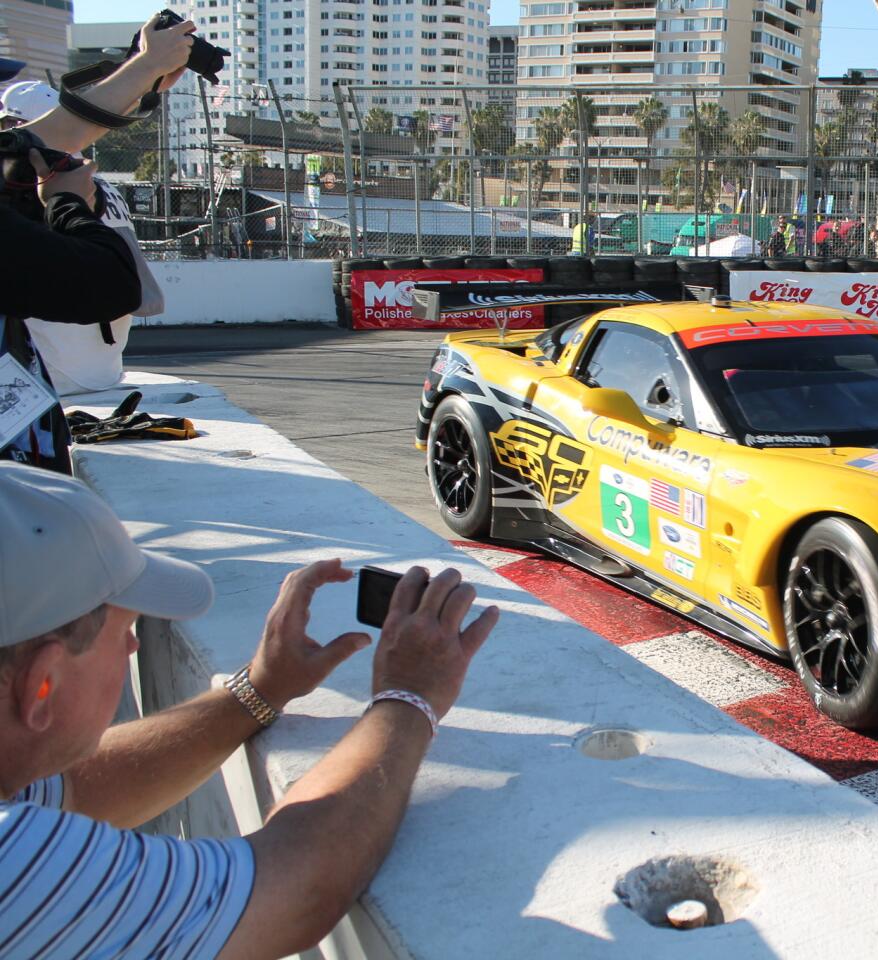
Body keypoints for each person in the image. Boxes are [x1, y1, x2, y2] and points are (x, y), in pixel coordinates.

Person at [0, 462, 500, 958]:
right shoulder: (16, 866)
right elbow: (293, 886)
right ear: (43, 685)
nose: (134, 647)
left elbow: (82, 790)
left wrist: (260, 688)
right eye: (124, 632)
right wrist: (409, 696)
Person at [0, 20, 193, 473]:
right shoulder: (84, 186)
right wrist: (66, 202)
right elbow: (110, 284)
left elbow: (55, 135)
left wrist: (145, 69)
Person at [3, 82, 162, 396]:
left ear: (19, 128)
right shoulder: (99, 184)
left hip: (50, 374)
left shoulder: (31, 191)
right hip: (105, 368)